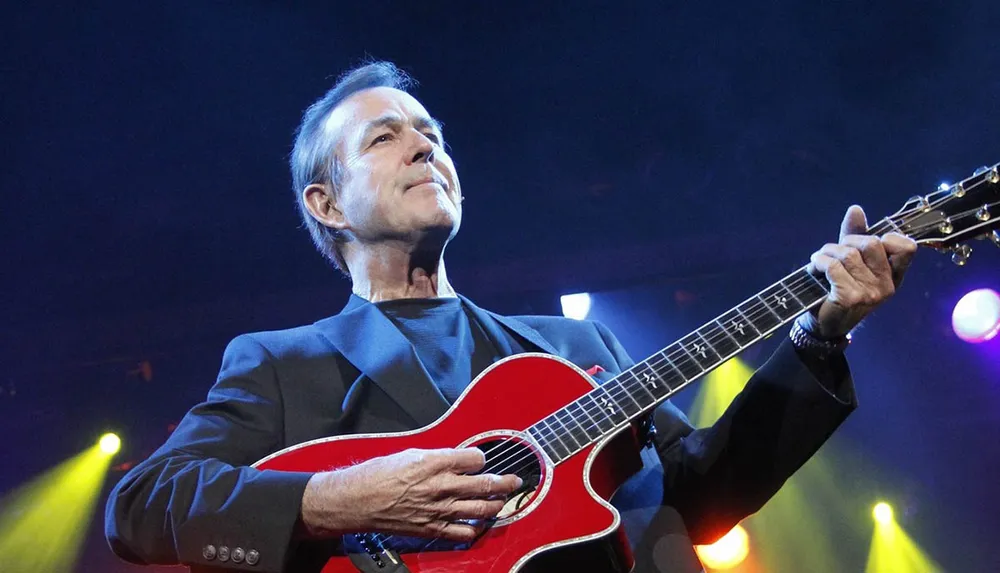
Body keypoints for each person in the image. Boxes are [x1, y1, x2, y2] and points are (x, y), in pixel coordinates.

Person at [105, 61, 916, 573]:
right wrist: (336, 500)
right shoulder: (282, 363)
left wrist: (821, 331)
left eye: (432, 135)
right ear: (327, 204)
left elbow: (704, 496)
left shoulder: (574, 347)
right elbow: (139, 509)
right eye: (387, 138)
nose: (427, 148)